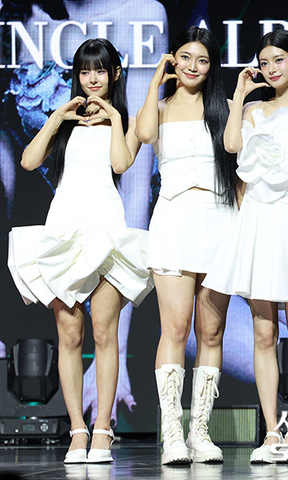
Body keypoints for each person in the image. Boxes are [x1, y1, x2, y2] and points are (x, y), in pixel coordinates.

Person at [7, 38, 152, 463]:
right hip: (65, 231)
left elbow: (121, 164)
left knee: (105, 334)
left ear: (115, 74)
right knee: (70, 336)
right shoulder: (66, 123)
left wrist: (113, 117)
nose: (92, 78)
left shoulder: (127, 121)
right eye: (85, 71)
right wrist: (56, 117)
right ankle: (77, 430)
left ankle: (102, 430)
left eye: (100, 70)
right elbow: (29, 162)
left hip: (106, 231)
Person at [202, 29, 288, 464]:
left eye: (278, 60)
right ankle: (270, 432)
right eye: (264, 63)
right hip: (258, 223)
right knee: (263, 332)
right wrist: (240, 95)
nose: (271, 69)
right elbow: (231, 147)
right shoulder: (254, 110)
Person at [135, 26, 238, 465]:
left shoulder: (225, 108)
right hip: (174, 221)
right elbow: (143, 135)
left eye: (203, 60)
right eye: (185, 57)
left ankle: (200, 431)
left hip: (220, 221)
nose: (193, 67)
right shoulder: (158, 109)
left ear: (212, 67)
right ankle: (172, 432)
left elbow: (240, 171)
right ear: (173, 59)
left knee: (210, 332)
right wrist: (155, 83)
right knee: (175, 330)